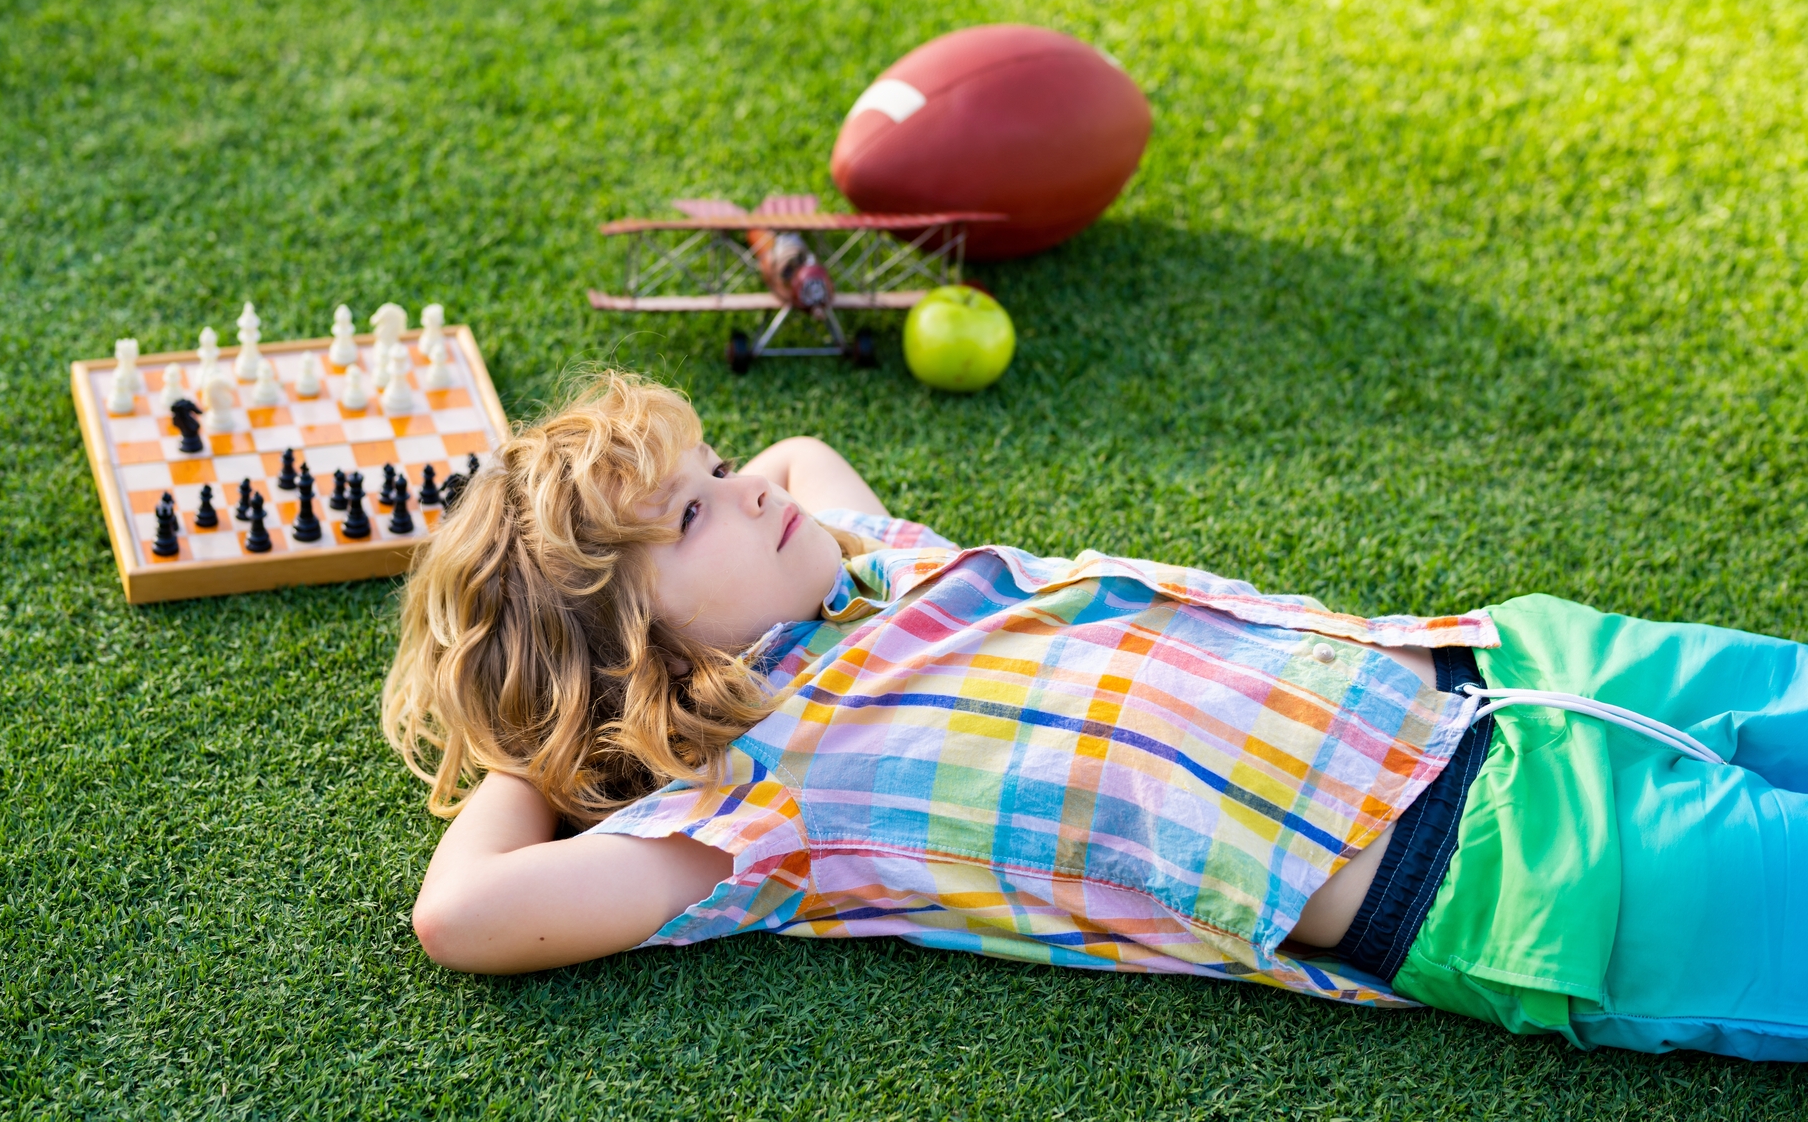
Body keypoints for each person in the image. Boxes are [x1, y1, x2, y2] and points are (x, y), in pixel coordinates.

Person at [383, 371, 1808, 1062]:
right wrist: (554, 740)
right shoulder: (762, 799)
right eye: (698, 510)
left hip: (1514, 660)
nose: (750, 486)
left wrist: (695, 516)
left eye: (712, 463)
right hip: (1514, 874)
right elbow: (468, 915)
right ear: (631, 654)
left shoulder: (880, 569)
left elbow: (803, 456)